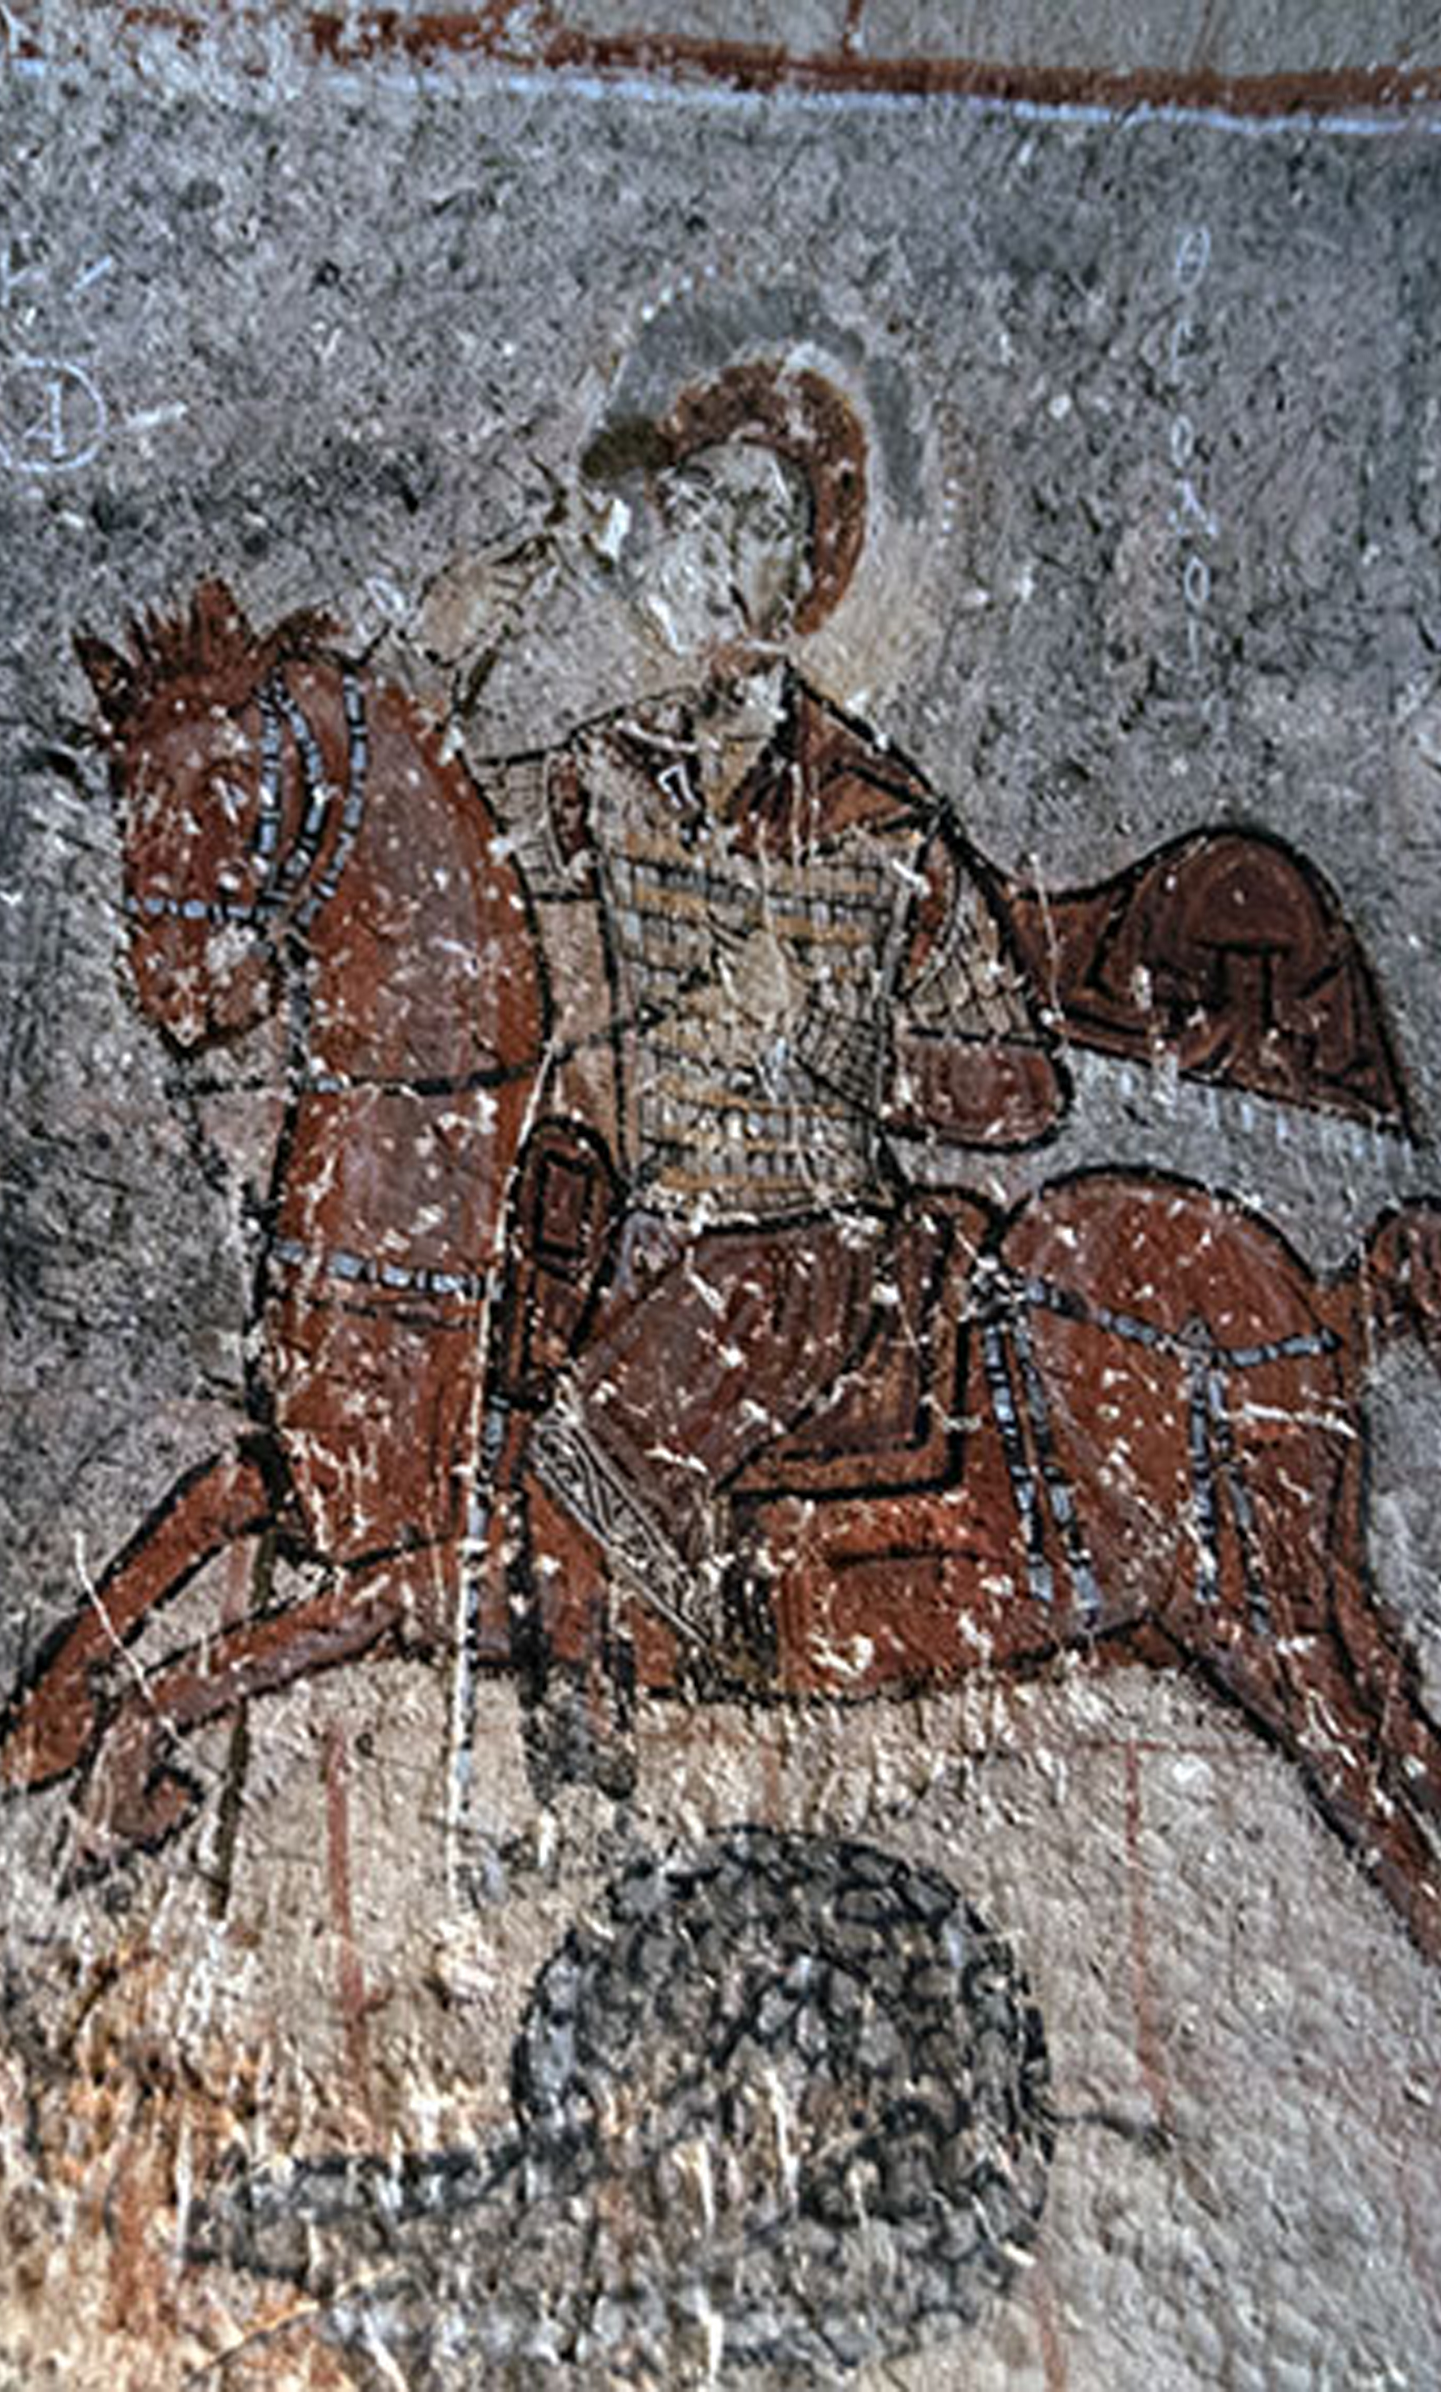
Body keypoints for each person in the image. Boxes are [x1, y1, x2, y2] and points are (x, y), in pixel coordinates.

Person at [440, 365, 1071, 1791]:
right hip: (636, 1226)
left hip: (802, 1248)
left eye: (735, 527)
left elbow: (1023, 1089)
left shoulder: (881, 820)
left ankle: (608, 1761)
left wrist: (850, 1063)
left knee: (587, 1445)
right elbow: (433, 811)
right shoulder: (601, 776)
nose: (697, 558)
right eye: (681, 520)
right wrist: (520, 562)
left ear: (791, 579)